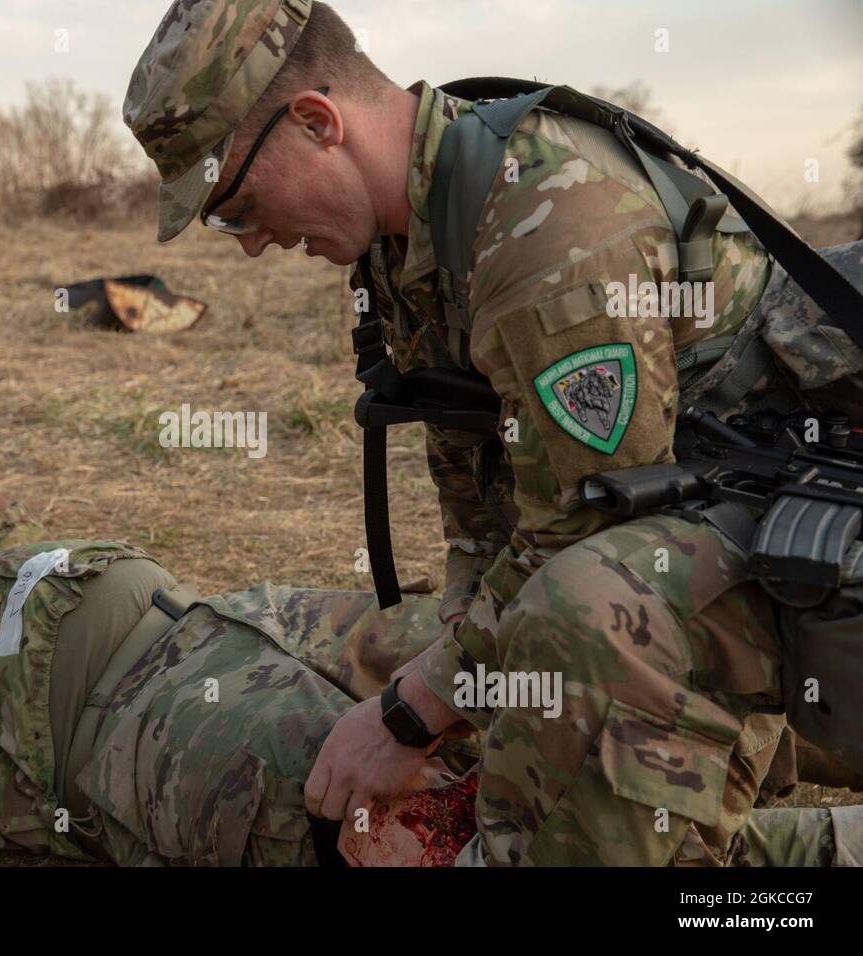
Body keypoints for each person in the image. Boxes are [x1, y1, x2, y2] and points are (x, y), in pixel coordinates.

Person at [122, 0, 863, 864]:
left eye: (238, 206)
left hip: (800, 544)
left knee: (569, 619)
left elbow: (582, 528)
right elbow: (483, 512)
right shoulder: (415, 236)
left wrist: (410, 716)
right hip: (688, 533)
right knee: (443, 652)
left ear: (318, 123)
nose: (250, 244)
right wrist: (455, 694)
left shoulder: (550, 227)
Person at [0, 417, 862, 867]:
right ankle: (810, 848)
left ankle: (819, 735)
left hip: (224, 618)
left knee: (544, 648)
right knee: (433, 828)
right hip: (134, 729)